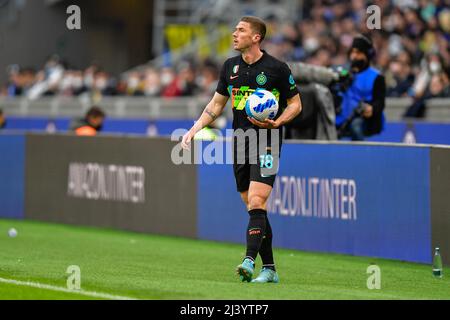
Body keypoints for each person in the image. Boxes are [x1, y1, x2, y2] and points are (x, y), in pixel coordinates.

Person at [181, 16, 302, 283]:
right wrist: (194, 128)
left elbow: (296, 104)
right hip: (240, 143)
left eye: (240, 30)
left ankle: (249, 260)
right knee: (253, 208)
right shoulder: (230, 67)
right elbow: (215, 105)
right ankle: (269, 268)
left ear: (256, 37)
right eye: (235, 29)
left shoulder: (277, 69)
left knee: (258, 201)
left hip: (267, 142)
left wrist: (279, 121)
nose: (234, 34)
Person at [335, 34, 386, 141]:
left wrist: (371, 108)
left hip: (364, 119)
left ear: (367, 55)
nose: (354, 56)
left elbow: (380, 102)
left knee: (355, 126)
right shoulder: (345, 74)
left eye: (358, 53)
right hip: (344, 116)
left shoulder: (377, 77)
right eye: (352, 52)